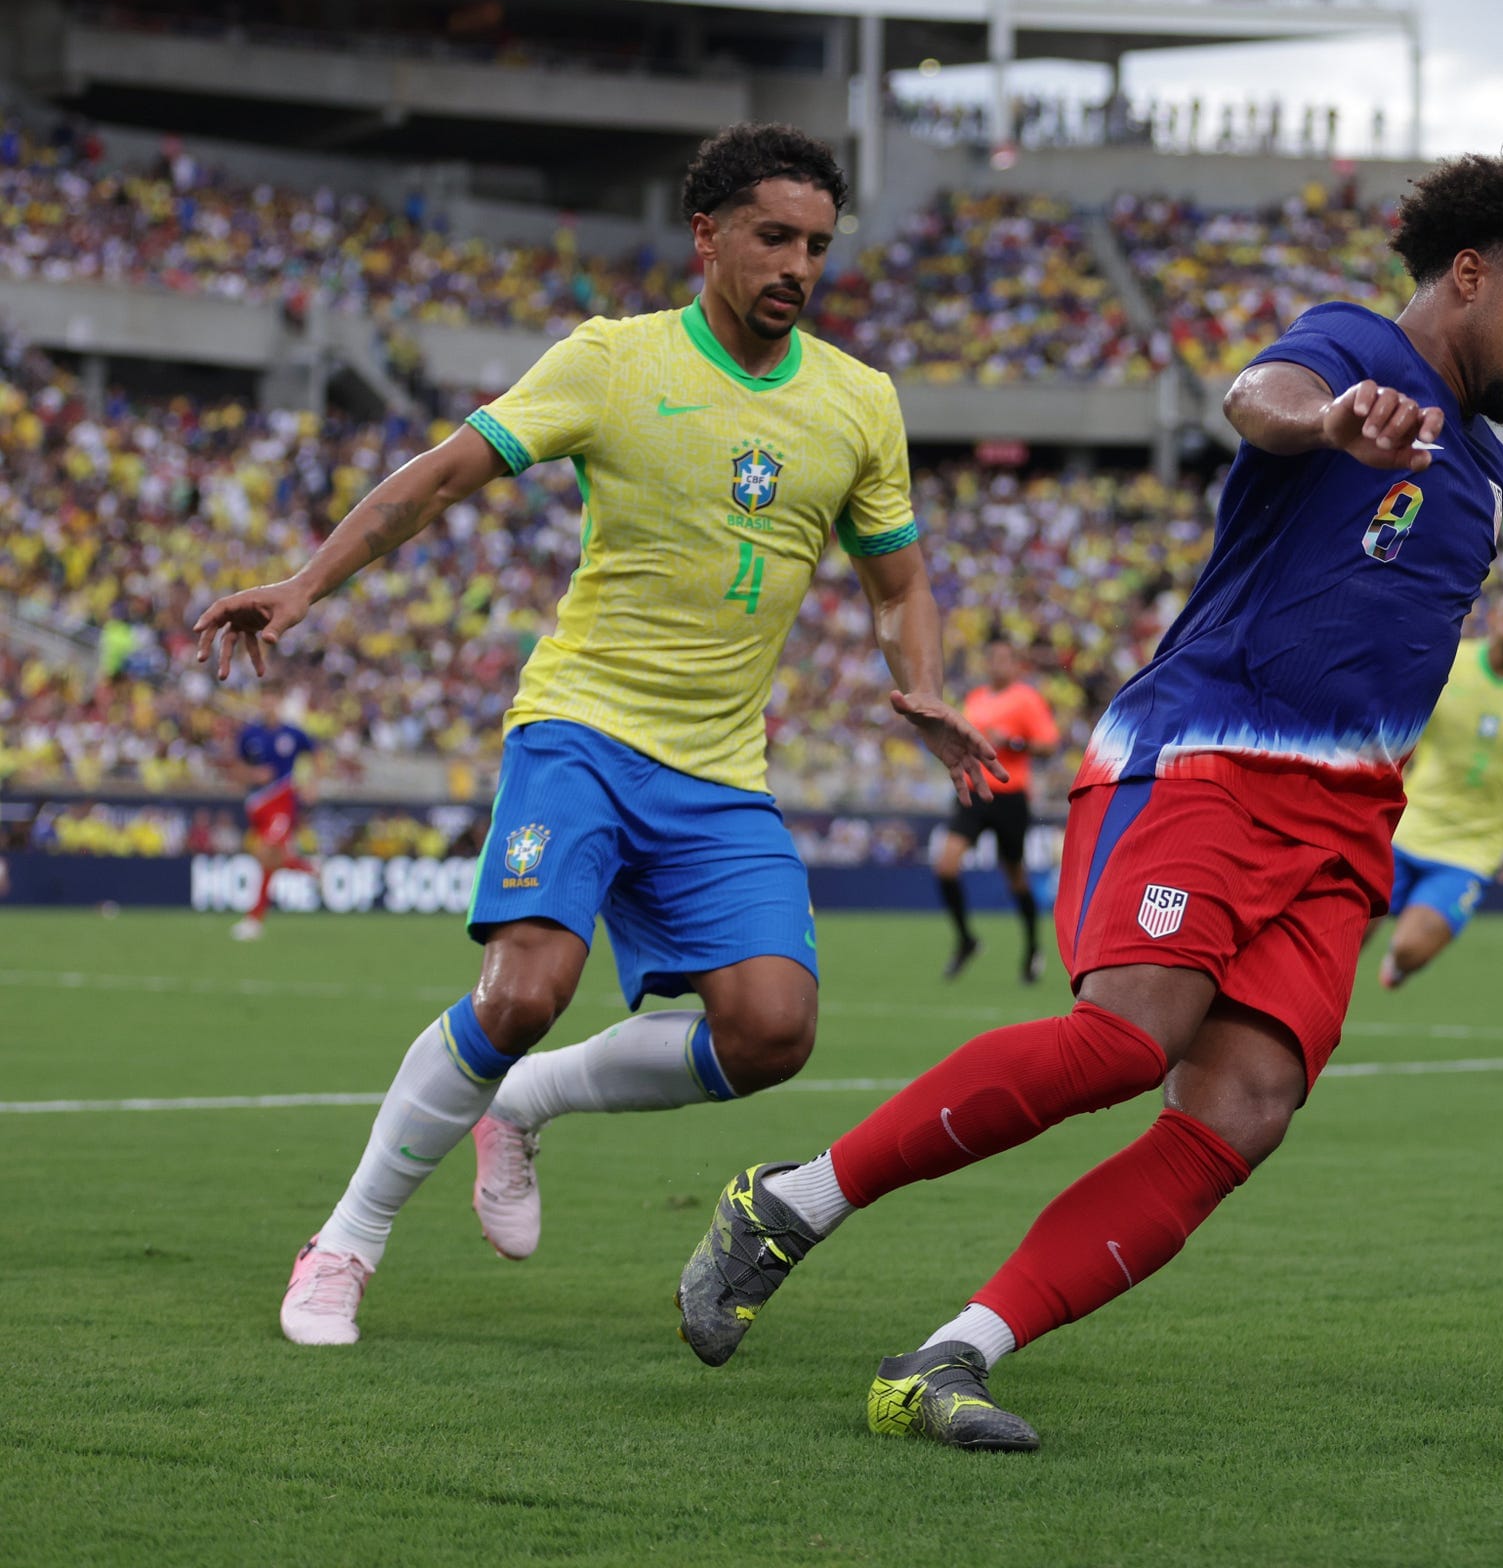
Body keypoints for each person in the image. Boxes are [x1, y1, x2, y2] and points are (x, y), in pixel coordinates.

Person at [673, 151, 1503, 1451]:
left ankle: (954, 1354)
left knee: (1245, 1109)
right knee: (1125, 1039)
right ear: (1469, 274)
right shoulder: (1348, 353)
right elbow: (1259, 396)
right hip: (1208, 759)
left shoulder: (1489, 473)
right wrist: (1328, 422)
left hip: (1347, 827)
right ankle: (792, 1202)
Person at [192, 124, 1000, 1346]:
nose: (796, 264)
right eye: (773, 236)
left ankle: (519, 1106)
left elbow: (897, 584)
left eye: (817, 246)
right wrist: (307, 585)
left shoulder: (856, 401)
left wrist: (927, 686)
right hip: (581, 725)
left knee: (773, 1029)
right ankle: (346, 1239)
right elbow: (442, 474)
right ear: (708, 235)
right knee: (524, 987)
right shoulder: (612, 361)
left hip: (720, 766)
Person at [1375, 579, 1503, 989]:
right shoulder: (1449, 660)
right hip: (1403, 827)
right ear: (1494, 614)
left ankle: (1400, 963)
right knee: (1341, 940)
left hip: (1472, 849)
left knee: (1410, 949)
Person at [934, 633, 1060, 983]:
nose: (996, 664)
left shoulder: (1027, 699)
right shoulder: (975, 698)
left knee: (1015, 876)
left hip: (1010, 795)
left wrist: (1013, 742)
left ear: (1015, 664)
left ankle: (1033, 948)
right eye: (992, 658)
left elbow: (1049, 746)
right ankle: (965, 940)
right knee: (945, 866)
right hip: (975, 793)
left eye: (1004, 658)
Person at [228, 706, 318, 942]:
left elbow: (315, 754)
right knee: (269, 859)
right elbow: (237, 768)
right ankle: (310, 869)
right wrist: (253, 774)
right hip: (257, 804)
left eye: (274, 698)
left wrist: (311, 783)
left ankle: (254, 920)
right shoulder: (250, 734)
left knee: (265, 854)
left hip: (282, 801)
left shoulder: (293, 734)